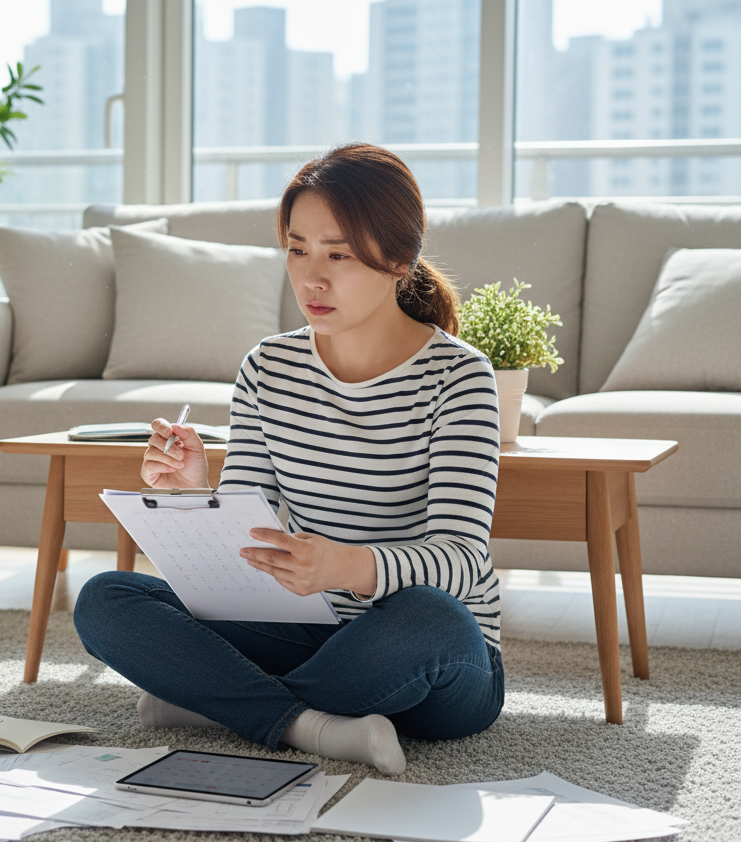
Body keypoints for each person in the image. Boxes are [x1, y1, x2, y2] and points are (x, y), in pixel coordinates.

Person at [72, 143, 503, 776]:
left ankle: (218, 701)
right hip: (300, 628)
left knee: (430, 621)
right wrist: (199, 491)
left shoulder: (459, 377)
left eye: (339, 254)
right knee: (105, 599)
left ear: (399, 260)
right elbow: (252, 552)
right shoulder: (268, 368)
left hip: (422, 658)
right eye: (298, 250)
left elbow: (462, 561)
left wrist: (345, 565)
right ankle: (314, 725)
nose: (311, 278)